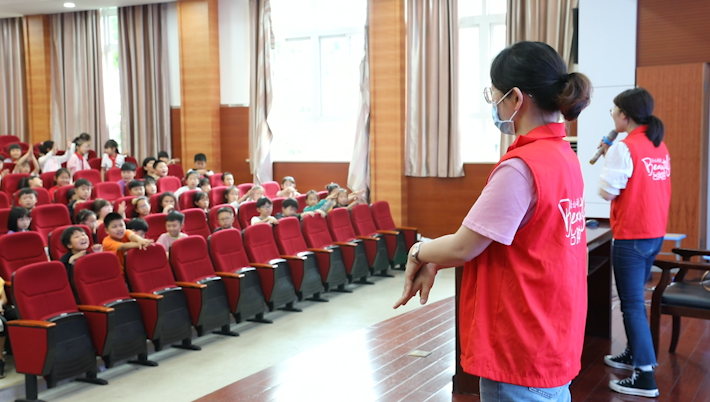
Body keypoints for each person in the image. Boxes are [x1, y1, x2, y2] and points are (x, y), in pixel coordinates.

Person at [393, 41, 592, 402]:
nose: (494, 105)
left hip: (518, 343)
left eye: (495, 95)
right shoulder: (565, 156)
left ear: (516, 99)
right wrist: (439, 257)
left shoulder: (520, 168)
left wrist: (419, 250)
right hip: (551, 335)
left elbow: (464, 245)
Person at [597, 88, 670, 398]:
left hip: (632, 235)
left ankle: (644, 376)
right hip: (654, 234)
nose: (612, 116)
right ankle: (632, 354)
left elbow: (606, 192)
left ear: (624, 115)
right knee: (635, 301)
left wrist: (610, 154)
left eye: (614, 111)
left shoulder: (625, 147)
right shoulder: (658, 145)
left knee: (632, 306)